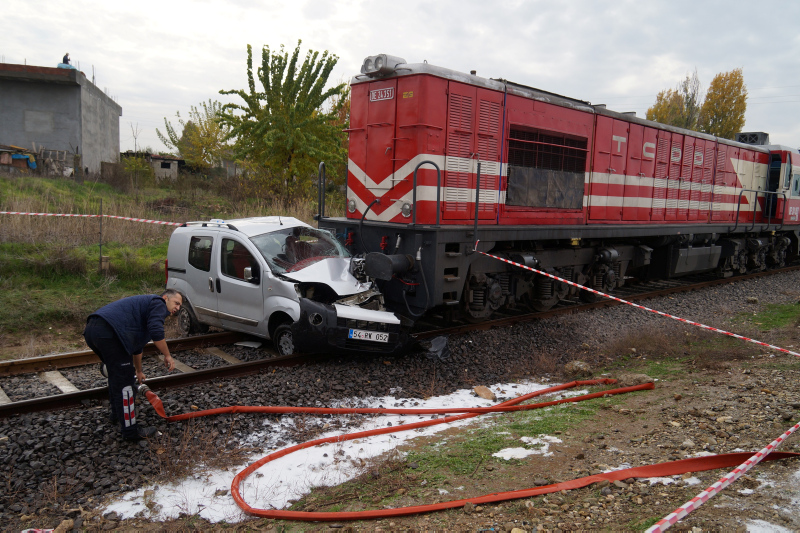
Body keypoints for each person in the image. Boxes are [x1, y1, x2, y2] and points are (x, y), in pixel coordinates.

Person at [83, 290, 182, 441]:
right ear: (165, 298)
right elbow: (157, 331)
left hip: (93, 330)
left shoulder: (142, 314)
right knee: (126, 384)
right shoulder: (158, 303)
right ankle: (131, 432)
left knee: (117, 376)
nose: (178, 308)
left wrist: (139, 371)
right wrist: (167, 355)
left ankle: (116, 415)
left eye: (180, 306)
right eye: (176, 303)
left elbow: (137, 348)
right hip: (109, 332)